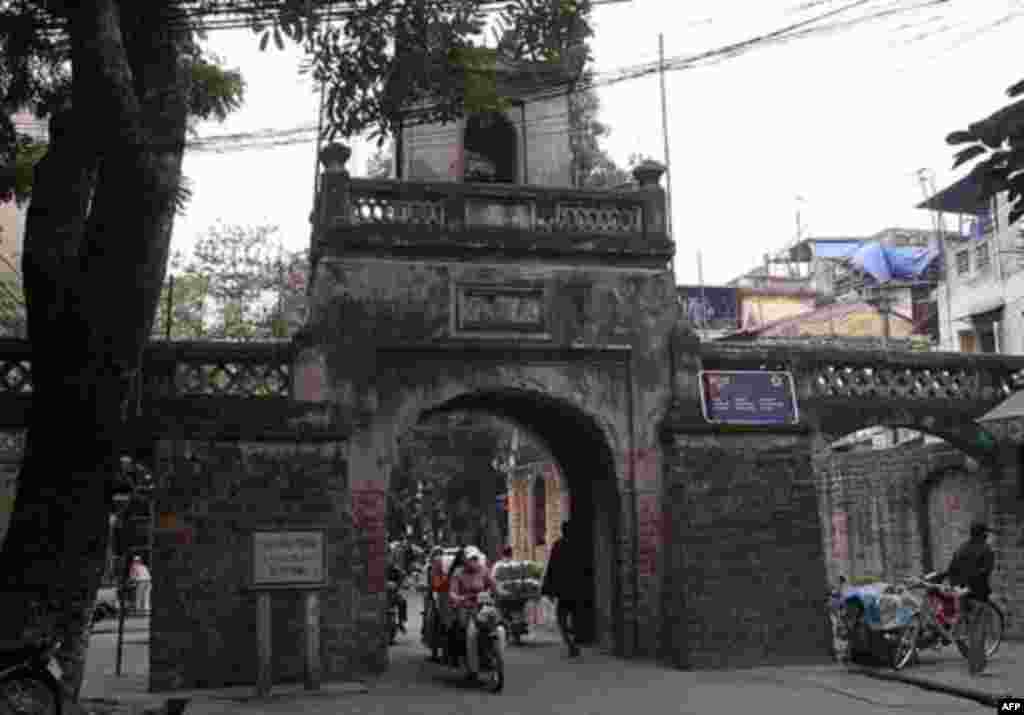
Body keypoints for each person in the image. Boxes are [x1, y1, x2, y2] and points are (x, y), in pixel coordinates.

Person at [939, 520, 997, 674]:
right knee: (978, 633)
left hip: (963, 596)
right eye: (986, 534)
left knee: (970, 631)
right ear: (983, 534)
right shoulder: (986, 551)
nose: (988, 536)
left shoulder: (961, 549)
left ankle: (974, 663)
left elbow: (952, 570)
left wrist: (958, 587)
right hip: (978, 596)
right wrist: (971, 587)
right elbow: (984, 573)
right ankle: (976, 668)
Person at [448, 546, 497, 681]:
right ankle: (472, 667)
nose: (474, 561)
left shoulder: (484, 571)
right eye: (471, 559)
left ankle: (494, 655)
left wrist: (494, 593)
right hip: (467, 608)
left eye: (475, 558)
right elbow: (452, 592)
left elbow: (493, 586)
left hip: (483, 608)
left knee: (497, 626)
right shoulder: (458, 573)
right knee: (470, 633)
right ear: (465, 560)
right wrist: (458, 598)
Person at [542, 521, 582, 657]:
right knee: (577, 616)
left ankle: (570, 643)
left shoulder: (558, 545)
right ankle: (574, 641)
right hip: (577, 588)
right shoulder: (579, 545)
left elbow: (552, 568)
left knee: (562, 618)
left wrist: (549, 590)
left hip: (564, 590)